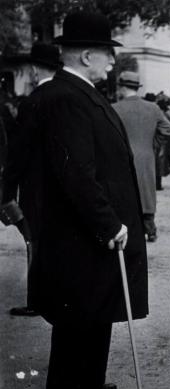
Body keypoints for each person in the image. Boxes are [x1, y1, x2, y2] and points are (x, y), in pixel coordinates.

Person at [19, 12, 148, 389]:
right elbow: (76, 172)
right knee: (78, 310)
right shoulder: (66, 97)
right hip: (81, 228)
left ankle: (90, 377)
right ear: (88, 55)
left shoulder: (77, 91)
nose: (113, 62)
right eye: (108, 55)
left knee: (98, 304)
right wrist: (107, 223)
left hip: (94, 226)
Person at [0, 43, 62, 317]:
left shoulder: (33, 101)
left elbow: (18, 153)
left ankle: (37, 300)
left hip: (36, 189)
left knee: (33, 243)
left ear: (36, 69)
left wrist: (6, 192)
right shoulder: (71, 97)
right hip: (64, 187)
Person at [113, 71, 170, 242]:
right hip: (146, 156)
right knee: (146, 192)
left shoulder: (114, 108)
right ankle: (150, 228)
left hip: (123, 157)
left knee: (126, 193)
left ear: (122, 87)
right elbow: (167, 129)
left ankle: (127, 229)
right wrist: (153, 144)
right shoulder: (153, 108)